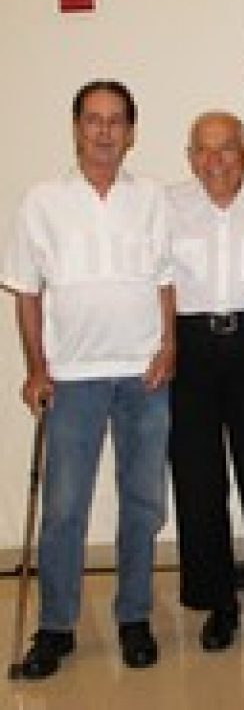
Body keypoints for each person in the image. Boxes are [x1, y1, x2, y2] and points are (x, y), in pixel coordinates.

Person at [1, 80, 173, 678]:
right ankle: (55, 627)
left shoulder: (151, 197)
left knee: (144, 503)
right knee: (65, 508)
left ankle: (133, 618)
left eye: (116, 120)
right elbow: (27, 293)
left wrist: (169, 347)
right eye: (93, 120)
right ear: (76, 128)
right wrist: (35, 369)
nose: (104, 131)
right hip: (73, 377)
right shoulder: (42, 201)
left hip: (143, 374)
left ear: (131, 131)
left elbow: (165, 280)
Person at [167, 111, 244, 651]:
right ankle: (216, 603)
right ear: (190, 156)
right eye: (203, 149)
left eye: (226, 148)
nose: (214, 160)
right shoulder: (168, 206)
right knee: (199, 482)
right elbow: (157, 280)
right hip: (189, 347)